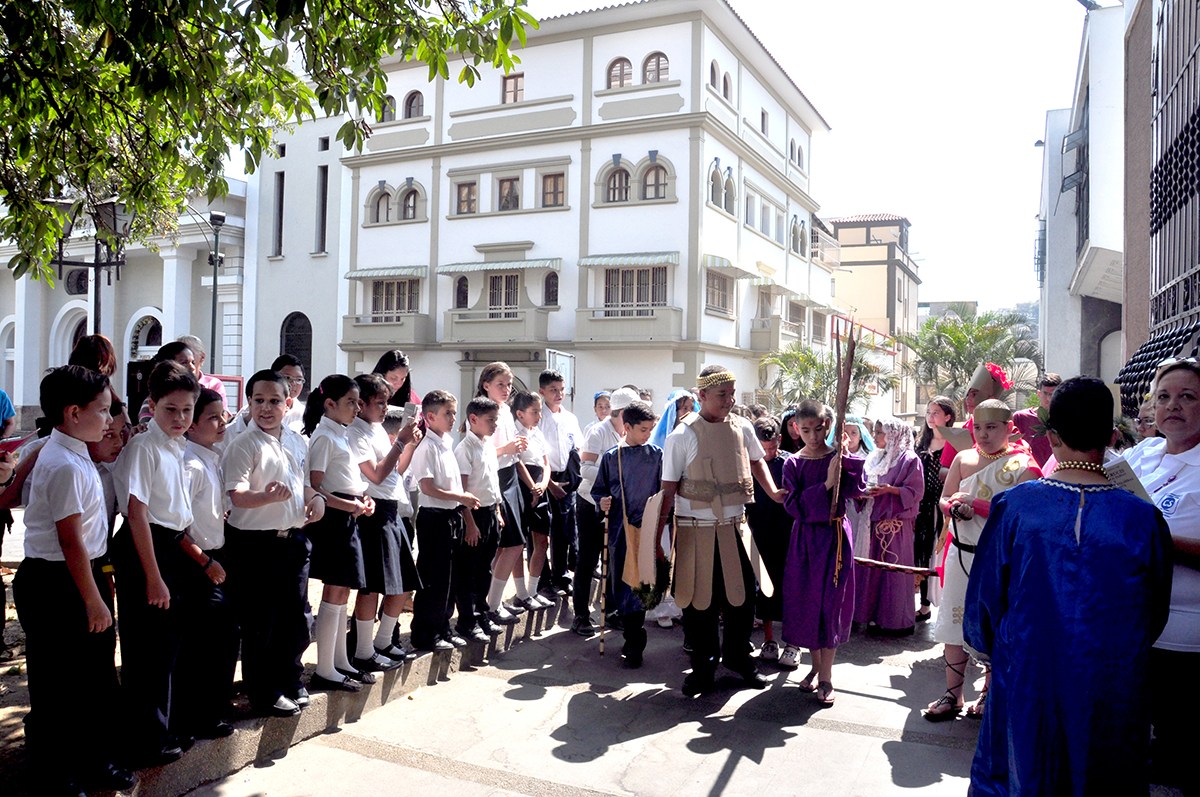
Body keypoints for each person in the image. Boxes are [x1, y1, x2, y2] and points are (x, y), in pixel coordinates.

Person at [964, 377, 1173, 796]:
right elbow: (1155, 610)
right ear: (1112, 438)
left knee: (1025, 771)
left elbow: (985, 601)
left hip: (1027, 669)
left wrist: (998, 648)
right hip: (1111, 678)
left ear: (1052, 436)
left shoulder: (1017, 506)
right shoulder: (1142, 518)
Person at [15, 366, 135, 796]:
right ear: (72, 412)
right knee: (57, 685)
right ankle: (54, 774)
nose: (109, 421)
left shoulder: (76, 451)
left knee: (95, 679)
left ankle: (94, 761)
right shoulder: (62, 462)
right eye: (102, 411)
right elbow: (70, 542)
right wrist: (94, 600)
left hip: (84, 577)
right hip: (57, 584)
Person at [657, 365, 784, 697]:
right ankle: (703, 666)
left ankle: (740, 658)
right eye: (721, 395)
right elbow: (668, 489)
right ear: (701, 396)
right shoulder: (681, 435)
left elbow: (757, 462)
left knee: (742, 603)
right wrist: (658, 539)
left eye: (731, 393)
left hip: (736, 529)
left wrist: (772, 492)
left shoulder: (743, 428)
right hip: (694, 531)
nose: (729, 401)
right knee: (700, 606)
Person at [926, 399, 1040, 721]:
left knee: (991, 626)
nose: (983, 434)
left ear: (1008, 428)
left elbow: (1021, 515)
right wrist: (953, 508)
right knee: (952, 623)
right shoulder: (963, 458)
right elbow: (943, 499)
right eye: (978, 427)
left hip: (997, 562)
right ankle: (953, 694)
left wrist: (976, 505)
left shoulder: (1024, 467)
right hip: (959, 553)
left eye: (991, 427)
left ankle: (988, 693)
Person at [221, 369, 325, 717]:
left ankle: (291, 678)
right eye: (259, 401)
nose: (266, 408)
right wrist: (262, 498)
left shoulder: (297, 441)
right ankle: (263, 691)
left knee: (295, 617)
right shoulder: (242, 445)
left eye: (275, 401)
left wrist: (316, 499)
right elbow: (235, 495)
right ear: (248, 403)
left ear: (288, 402)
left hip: (293, 541)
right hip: (254, 545)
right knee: (260, 622)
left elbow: (303, 484)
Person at [111, 360, 199, 765]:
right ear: (152, 404)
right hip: (146, 550)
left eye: (187, 409)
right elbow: (137, 512)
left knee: (166, 646)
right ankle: (144, 740)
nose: (180, 418)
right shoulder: (145, 446)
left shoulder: (172, 445)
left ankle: (160, 729)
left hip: (168, 547)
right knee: (147, 650)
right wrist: (153, 576)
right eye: (171, 409)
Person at [1119, 357, 1200, 790]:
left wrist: (1155, 537)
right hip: (1131, 629)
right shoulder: (1144, 454)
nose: (1173, 406)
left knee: (1178, 762)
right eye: (1165, 396)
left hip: (1185, 642)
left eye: (1188, 396)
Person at [780, 400, 868, 705]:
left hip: (835, 539)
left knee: (831, 604)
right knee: (807, 603)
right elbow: (793, 505)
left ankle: (827, 676)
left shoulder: (837, 457)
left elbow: (857, 492)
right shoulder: (792, 463)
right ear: (796, 429)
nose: (813, 436)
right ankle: (815, 667)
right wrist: (826, 484)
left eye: (819, 429)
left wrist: (846, 462)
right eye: (806, 430)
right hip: (805, 541)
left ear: (828, 426)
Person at [304, 375, 388, 690]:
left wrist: (361, 500)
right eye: (350, 402)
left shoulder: (339, 434)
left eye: (357, 402)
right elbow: (315, 487)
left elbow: (346, 479)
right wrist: (349, 505)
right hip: (334, 519)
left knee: (342, 592)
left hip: (348, 514)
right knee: (334, 591)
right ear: (330, 404)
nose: (356, 408)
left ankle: (340, 662)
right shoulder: (325, 436)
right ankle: (326, 668)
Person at [175, 387, 239, 740]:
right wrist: (203, 563)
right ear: (192, 424)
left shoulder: (210, 457)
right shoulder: (190, 463)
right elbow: (176, 528)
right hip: (197, 563)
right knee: (210, 641)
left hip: (214, 557)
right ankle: (197, 716)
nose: (222, 423)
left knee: (219, 640)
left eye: (223, 415)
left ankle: (208, 711)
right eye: (212, 418)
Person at [347, 373, 422, 664]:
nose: (384, 408)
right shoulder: (355, 431)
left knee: (403, 584)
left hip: (393, 509)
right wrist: (400, 444)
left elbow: (396, 471)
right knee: (372, 587)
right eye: (379, 402)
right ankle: (364, 651)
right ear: (361, 404)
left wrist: (409, 444)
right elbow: (375, 474)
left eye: (387, 402)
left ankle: (382, 642)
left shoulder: (378, 428)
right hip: (373, 511)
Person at [591, 400, 662, 668]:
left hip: (647, 528)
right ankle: (631, 637)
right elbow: (599, 490)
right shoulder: (612, 457)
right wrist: (602, 501)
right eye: (643, 429)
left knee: (640, 584)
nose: (647, 434)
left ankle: (635, 640)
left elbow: (663, 490)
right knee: (622, 583)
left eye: (651, 429)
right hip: (620, 530)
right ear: (627, 427)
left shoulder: (656, 455)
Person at [408, 389, 480, 651]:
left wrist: (459, 502)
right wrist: (461, 497)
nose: (452, 418)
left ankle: (443, 627)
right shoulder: (426, 447)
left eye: (453, 412)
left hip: (451, 516)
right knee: (433, 579)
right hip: (434, 518)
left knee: (450, 578)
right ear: (430, 416)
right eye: (447, 413)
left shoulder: (446, 443)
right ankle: (426, 633)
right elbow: (427, 487)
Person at [573, 387, 636, 636]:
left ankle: (610, 611)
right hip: (591, 503)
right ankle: (580, 615)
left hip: (616, 506)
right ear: (621, 413)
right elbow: (584, 468)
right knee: (588, 560)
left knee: (613, 560)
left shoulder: (628, 434)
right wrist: (613, 476)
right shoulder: (598, 432)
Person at [855, 416, 924, 637]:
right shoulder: (876, 457)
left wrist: (891, 490)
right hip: (874, 520)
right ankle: (874, 616)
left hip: (895, 524)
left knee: (894, 571)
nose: (874, 437)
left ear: (893, 434)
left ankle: (896, 620)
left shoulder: (909, 459)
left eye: (878, 432)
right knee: (875, 570)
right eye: (874, 432)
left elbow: (915, 492)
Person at [472, 363, 529, 622]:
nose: (507, 389)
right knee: (510, 543)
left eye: (509, 384)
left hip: (510, 477)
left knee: (512, 544)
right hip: (493, 479)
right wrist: (506, 449)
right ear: (486, 385)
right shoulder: (481, 411)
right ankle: (491, 605)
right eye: (500, 384)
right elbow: (482, 454)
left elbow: (510, 450)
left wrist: (516, 448)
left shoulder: (505, 410)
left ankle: (493, 603)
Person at [454, 396, 509, 640]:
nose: (494, 425)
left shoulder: (487, 444)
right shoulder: (465, 449)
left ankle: (481, 614)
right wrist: (470, 523)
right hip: (473, 514)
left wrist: (497, 511)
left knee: (484, 569)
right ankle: (467, 620)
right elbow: (463, 490)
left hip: (489, 512)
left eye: (496, 420)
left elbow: (492, 481)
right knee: (469, 571)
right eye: (490, 420)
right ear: (473, 419)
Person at [745, 417, 791, 664]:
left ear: (780, 441)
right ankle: (769, 639)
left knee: (789, 588)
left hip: (786, 534)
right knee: (765, 589)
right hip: (759, 533)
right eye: (764, 449)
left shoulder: (789, 464)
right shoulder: (747, 465)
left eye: (773, 448)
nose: (769, 453)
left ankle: (792, 642)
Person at [537, 369, 582, 600]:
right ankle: (542, 580)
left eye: (562, 389)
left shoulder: (569, 418)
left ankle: (562, 576)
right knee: (543, 531)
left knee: (565, 529)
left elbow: (577, 447)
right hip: (544, 477)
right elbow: (534, 454)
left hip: (567, 477)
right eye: (553, 390)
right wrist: (550, 482)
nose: (559, 394)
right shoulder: (538, 417)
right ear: (542, 391)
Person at [914, 397, 955, 622]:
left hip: (943, 508)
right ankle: (924, 605)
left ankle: (946, 604)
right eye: (929, 412)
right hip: (922, 508)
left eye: (936, 412)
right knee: (922, 553)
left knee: (941, 555)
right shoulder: (920, 443)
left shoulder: (955, 445)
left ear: (948, 416)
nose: (931, 417)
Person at [513, 391, 553, 610]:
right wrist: (532, 487)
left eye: (539, 411)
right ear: (520, 414)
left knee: (542, 540)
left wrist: (544, 484)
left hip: (540, 484)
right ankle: (520, 593)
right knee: (518, 543)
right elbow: (518, 463)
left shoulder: (538, 433)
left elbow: (546, 463)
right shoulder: (515, 432)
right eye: (534, 411)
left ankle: (532, 589)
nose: (538, 415)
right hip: (524, 484)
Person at [939, 362, 1013, 473]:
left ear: (991, 398)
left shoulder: (1010, 432)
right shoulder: (958, 431)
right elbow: (943, 470)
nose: (968, 400)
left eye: (974, 395)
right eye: (967, 394)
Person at [135, 341, 196, 424]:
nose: (192, 368)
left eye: (193, 362)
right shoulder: (155, 400)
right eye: (184, 363)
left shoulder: (198, 394)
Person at [1011, 372, 1061, 468]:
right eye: (1045, 393)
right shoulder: (1021, 417)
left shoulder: (1066, 419)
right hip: (1028, 471)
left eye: (1053, 394)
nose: (1049, 399)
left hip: (1057, 474)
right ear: (1039, 393)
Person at [177, 334, 229, 413]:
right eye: (180, 354)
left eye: (190, 353)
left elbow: (223, 414)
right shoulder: (169, 383)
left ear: (202, 357)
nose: (185, 357)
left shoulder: (213, 384)